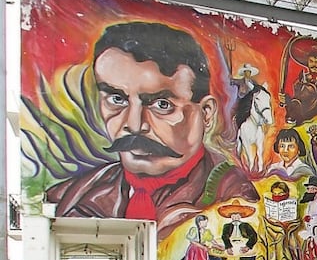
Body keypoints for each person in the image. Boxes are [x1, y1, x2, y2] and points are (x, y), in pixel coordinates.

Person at [45, 21, 258, 239]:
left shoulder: (234, 198)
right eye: (117, 99)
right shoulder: (68, 197)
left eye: (162, 105)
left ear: (206, 113)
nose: (135, 125)